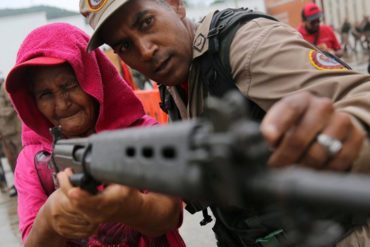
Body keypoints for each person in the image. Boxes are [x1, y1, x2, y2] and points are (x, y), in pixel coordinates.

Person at [80, 0, 370, 246]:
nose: (144, 50)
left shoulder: (245, 45)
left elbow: (358, 98)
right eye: (125, 45)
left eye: (146, 22)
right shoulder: (176, 83)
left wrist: (348, 130)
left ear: (175, 5)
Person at [5, 23, 185, 247]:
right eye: (45, 94)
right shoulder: (33, 162)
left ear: (93, 78)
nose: (61, 104)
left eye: (70, 85)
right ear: (32, 101)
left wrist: (133, 207)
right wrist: (50, 218)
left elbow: (170, 215)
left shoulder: (143, 135)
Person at [0, 72, 22, 197]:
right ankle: (17, 185)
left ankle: (24, 184)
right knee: (10, 160)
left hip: (15, 129)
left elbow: (13, 106)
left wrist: (1, 111)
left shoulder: (4, 88)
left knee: (20, 158)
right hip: (4, 134)